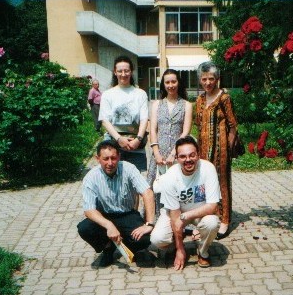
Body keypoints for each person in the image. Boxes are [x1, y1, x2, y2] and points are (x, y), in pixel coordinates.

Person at [77, 140, 155, 268]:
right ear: (98, 159)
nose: (110, 163)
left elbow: (147, 192)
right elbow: (89, 210)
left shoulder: (129, 168)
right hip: (105, 216)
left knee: (145, 238)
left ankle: (131, 247)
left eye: (113, 158)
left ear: (118, 156)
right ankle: (108, 248)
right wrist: (109, 225)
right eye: (105, 159)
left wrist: (150, 223)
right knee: (84, 228)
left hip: (128, 214)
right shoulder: (91, 177)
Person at [150, 136, 221, 269]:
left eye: (192, 155)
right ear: (177, 158)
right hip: (176, 212)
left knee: (212, 223)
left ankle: (203, 250)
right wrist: (180, 250)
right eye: (183, 156)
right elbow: (175, 216)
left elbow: (212, 206)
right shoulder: (169, 177)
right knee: (157, 239)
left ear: (198, 155)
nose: (188, 160)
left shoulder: (208, 168)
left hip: (200, 212)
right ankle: (177, 245)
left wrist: (187, 216)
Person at [195, 61, 237, 240]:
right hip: (203, 148)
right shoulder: (200, 99)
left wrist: (228, 147)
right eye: (204, 79)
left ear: (217, 79)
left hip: (221, 148)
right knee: (202, 182)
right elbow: (198, 124)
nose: (207, 82)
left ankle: (225, 220)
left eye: (211, 79)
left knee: (221, 182)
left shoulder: (224, 98)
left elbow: (233, 125)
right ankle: (204, 217)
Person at [147, 69, 193, 218]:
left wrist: (175, 152)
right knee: (156, 185)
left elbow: (185, 131)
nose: (171, 85)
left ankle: (178, 219)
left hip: (178, 154)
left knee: (177, 186)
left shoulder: (186, 105)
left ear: (179, 83)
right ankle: (155, 219)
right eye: (167, 82)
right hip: (159, 153)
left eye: (174, 81)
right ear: (163, 84)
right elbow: (153, 129)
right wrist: (156, 152)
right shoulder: (156, 105)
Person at [98, 55, 149, 172]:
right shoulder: (108, 94)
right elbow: (104, 120)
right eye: (120, 71)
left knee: (135, 181)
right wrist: (119, 139)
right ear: (115, 72)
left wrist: (138, 139)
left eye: (126, 70)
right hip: (113, 144)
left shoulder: (140, 93)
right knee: (113, 180)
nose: (123, 74)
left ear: (131, 72)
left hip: (135, 144)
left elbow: (144, 119)